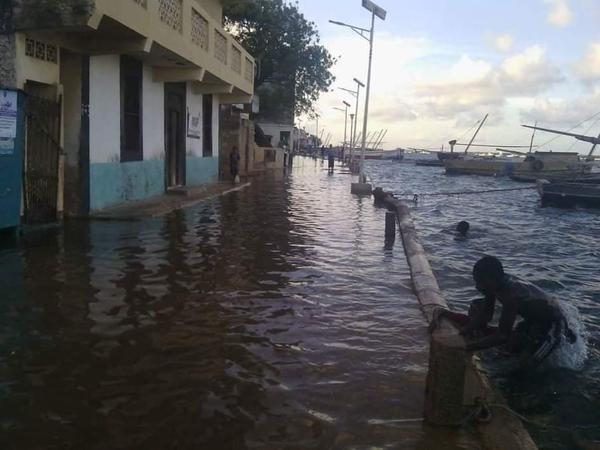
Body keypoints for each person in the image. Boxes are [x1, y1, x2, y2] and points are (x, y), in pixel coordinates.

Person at [431, 256, 576, 368]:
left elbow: (502, 335)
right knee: (510, 348)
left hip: (553, 325)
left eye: (479, 281)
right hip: (534, 320)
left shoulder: (510, 295)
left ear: (491, 279)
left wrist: (466, 347)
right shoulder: (494, 286)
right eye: (476, 281)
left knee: (526, 366)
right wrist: (465, 330)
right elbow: (486, 316)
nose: (477, 286)